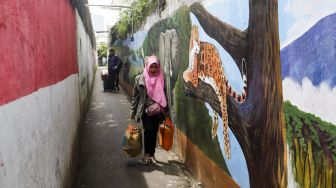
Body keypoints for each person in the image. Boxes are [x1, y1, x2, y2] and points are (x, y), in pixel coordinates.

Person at [130, 55, 168, 164]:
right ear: (147, 66)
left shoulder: (161, 78)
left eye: (156, 67)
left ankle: (152, 154)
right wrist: (133, 112)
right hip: (145, 111)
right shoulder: (140, 78)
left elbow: (165, 96)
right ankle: (146, 154)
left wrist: (167, 112)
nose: (153, 69)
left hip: (158, 111)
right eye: (151, 67)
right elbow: (135, 97)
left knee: (154, 132)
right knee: (148, 131)